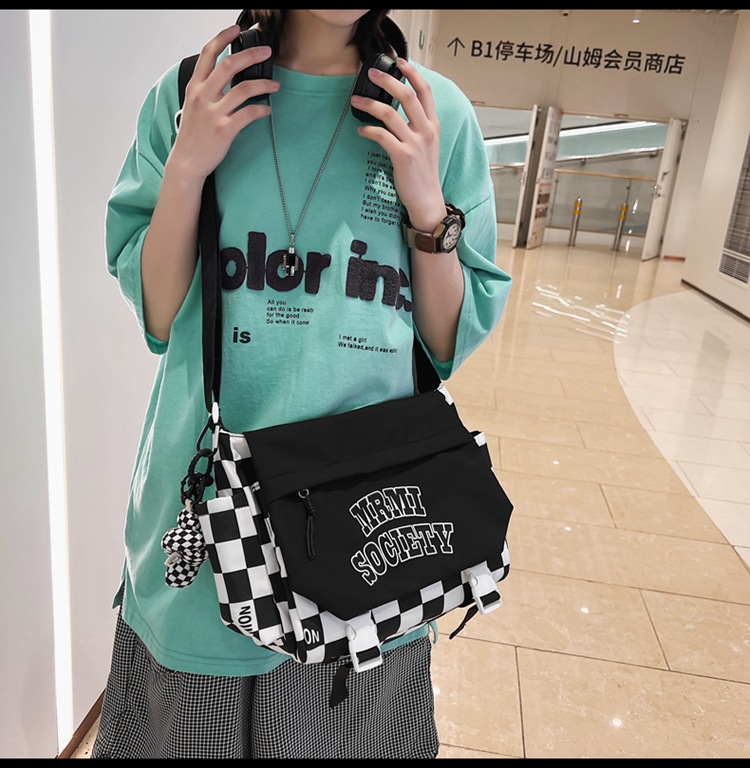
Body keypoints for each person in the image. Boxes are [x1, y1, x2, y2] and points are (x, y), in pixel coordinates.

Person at [92, 9, 512, 759]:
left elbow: (446, 341)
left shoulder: (431, 112)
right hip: (207, 525)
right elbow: (158, 312)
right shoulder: (195, 92)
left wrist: (426, 202)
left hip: (367, 537)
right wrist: (188, 166)